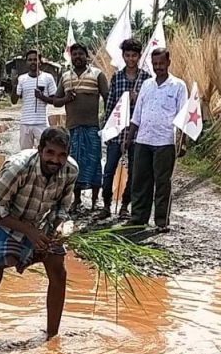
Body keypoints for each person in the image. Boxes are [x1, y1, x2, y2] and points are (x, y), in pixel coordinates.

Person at [0, 127, 78, 340]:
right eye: (50, 152)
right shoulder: (18, 167)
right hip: (5, 221)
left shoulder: (70, 170)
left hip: (41, 223)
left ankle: (52, 337)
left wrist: (58, 227)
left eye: (61, 155)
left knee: (58, 270)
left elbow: (62, 207)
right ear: (40, 150)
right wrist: (29, 231)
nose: (55, 160)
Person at [39, 43, 108, 213]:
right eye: (74, 54)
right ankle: (76, 200)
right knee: (72, 164)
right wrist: (66, 99)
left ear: (87, 56)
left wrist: (108, 122)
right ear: (71, 57)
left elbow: (108, 97)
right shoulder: (65, 77)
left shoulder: (98, 75)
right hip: (72, 128)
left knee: (94, 163)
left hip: (92, 127)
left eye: (81, 54)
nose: (77, 57)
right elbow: (56, 101)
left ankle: (94, 201)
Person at [124, 48, 187, 233]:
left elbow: (183, 116)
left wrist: (183, 142)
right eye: (155, 64)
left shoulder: (178, 86)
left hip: (165, 141)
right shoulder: (147, 85)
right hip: (143, 139)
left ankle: (161, 221)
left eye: (161, 63)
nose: (158, 67)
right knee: (140, 181)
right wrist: (129, 137)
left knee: (162, 183)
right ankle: (138, 218)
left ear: (168, 62)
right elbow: (137, 114)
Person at [101, 38, 150, 219]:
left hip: (137, 133)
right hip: (117, 131)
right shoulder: (117, 77)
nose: (131, 59)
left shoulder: (146, 79)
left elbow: (149, 106)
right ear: (123, 56)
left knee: (134, 171)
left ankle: (124, 206)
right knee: (109, 169)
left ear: (139, 56)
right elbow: (110, 103)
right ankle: (106, 204)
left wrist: (138, 99)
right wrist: (107, 128)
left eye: (134, 56)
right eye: (127, 55)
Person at [11, 48, 57, 149]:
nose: (33, 62)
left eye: (35, 59)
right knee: (25, 155)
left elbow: (54, 100)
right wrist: (14, 85)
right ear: (26, 62)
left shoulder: (48, 78)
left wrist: (42, 97)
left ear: (40, 62)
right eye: (30, 60)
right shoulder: (22, 79)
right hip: (25, 123)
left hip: (42, 123)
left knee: (45, 151)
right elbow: (14, 101)